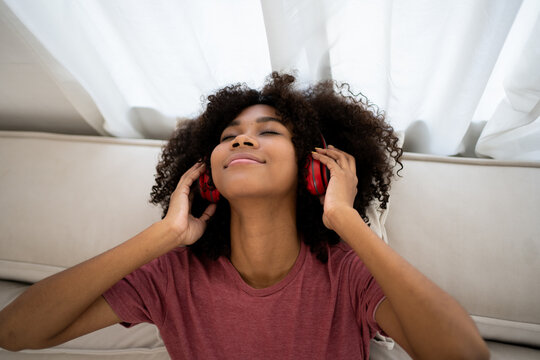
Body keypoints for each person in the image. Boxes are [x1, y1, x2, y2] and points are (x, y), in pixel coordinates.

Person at [0, 72, 489, 359]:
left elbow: (465, 355)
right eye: (229, 134)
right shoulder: (170, 276)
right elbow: (14, 333)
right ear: (207, 173)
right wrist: (162, 236)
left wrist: (345, 219)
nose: (241, 139)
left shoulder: (348, 273)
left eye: (269, 131)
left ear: (313, 168)